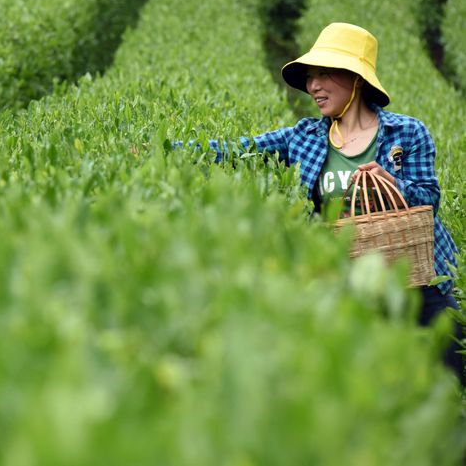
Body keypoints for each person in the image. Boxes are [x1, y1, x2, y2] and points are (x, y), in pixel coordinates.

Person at [191, 22, 463, 384]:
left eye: (324, 75)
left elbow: (429, 198)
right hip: (349, 282)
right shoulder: (305, 136)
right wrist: (164, 152)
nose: (313, 86)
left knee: (452, 376)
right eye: (309, 77)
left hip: (416, 279)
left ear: (357, 79)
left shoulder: (407, 132)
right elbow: (238, 150)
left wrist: (392, 183)